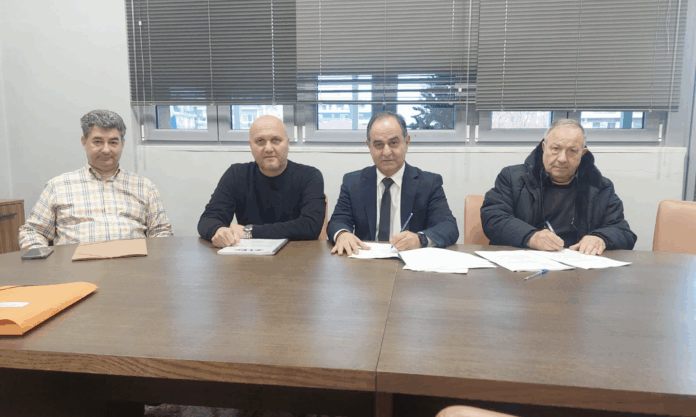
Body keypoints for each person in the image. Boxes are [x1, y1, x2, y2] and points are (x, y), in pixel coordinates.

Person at [18, 110, 173, 249]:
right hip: (74, 268)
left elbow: (162, 232)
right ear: (84, 142)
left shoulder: (145, 187)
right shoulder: (58, 186)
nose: (106, 150)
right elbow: (32, 232)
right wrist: (44, 263)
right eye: (98, 142)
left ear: (122, 144)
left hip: (133, 266)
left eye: (113, 142)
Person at [481, 118, 636, 255]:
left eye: (572, 151)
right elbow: (493, 218)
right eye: (556, 149)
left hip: (579, 268)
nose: (562, 159)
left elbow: (622, 231)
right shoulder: (513, 178)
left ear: (582, 153)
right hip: (522, 265)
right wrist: (531, 237)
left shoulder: (600, 186)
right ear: (544, 147)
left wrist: (600, 238)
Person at [327, 111, 459, 255]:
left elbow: (448, 227)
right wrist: (342, 234)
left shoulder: (429, 183)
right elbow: (337, 221)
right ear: (369, 146)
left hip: (410, 261)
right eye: (378, 144)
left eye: (393, 143)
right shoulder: (353, 182)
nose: (386, 152)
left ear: (407, 142)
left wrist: (419, 239)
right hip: (366, 261)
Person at [198, 115, 325, 247]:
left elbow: (310, 226)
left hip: (298, 254)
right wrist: (219, 231)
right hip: (248, 256)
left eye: (275, 140)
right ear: (251, 145)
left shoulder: (309, 176)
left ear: (287, 143)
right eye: (260, 141)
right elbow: (208, 219)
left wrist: (249, 231)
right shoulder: (236, 174)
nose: (268, 149)